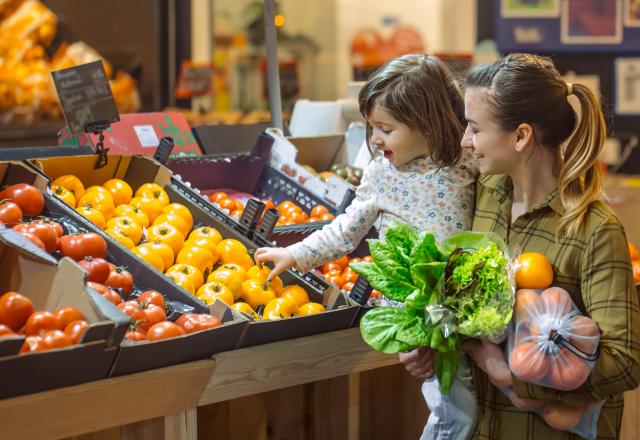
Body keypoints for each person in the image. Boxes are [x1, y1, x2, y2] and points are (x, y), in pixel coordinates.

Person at [400, 53, 640, 438]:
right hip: (485, 427)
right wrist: (432, 341)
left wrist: (512, 374)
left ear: (522, 136)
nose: (465, 141)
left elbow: (624, 362)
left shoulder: (593, 229)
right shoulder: (487, 193)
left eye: (475, 129)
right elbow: (473, 307)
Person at [255, 53, 478, 439]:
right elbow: (345, 231)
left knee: (470, 400)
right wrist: (295, 254)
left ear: (426, 123)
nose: (374, 139)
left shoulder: (466, 160)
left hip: (463, 301)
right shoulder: (382, 174)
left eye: (385, 129)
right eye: (371, 127)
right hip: (416, 308)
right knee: (455, 409)